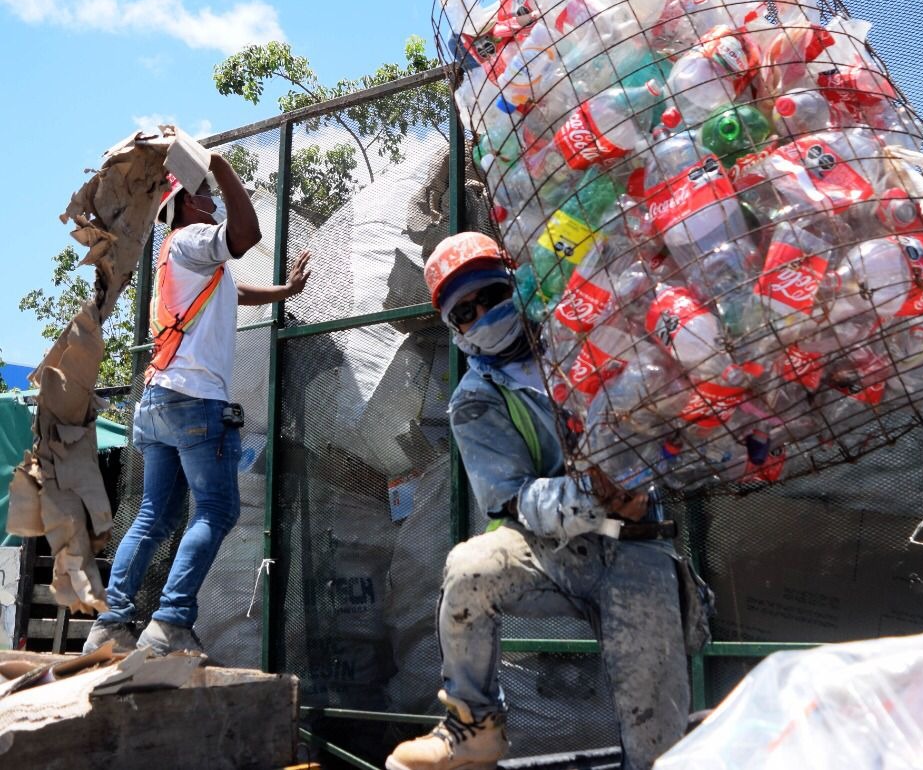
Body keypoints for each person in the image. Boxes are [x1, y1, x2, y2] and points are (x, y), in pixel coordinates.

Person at [385, 232, 690, 770]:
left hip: (638, 545)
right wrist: (595, 499)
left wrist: (640, 485)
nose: (483, 314)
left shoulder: (587, 335)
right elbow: (514, 500)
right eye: (465, 313)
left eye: (491, 295)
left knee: (658, 745)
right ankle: (473, 723)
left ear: (518, 287)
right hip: (553, 552)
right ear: (456, 330)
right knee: (469, 570)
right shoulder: (475, 401)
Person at [83, 153, 311, 656]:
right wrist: (224, 169)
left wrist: (285, 290)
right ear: (187, 202)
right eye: (205, 191)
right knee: (216, 508)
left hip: (158, 400)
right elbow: (245, 236)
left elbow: (234, 290)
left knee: (154, 516)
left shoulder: (173, 259)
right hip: (194, 400)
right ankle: (170, 621)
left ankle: (112, 622)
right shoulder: (190, 239)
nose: (211, 197)